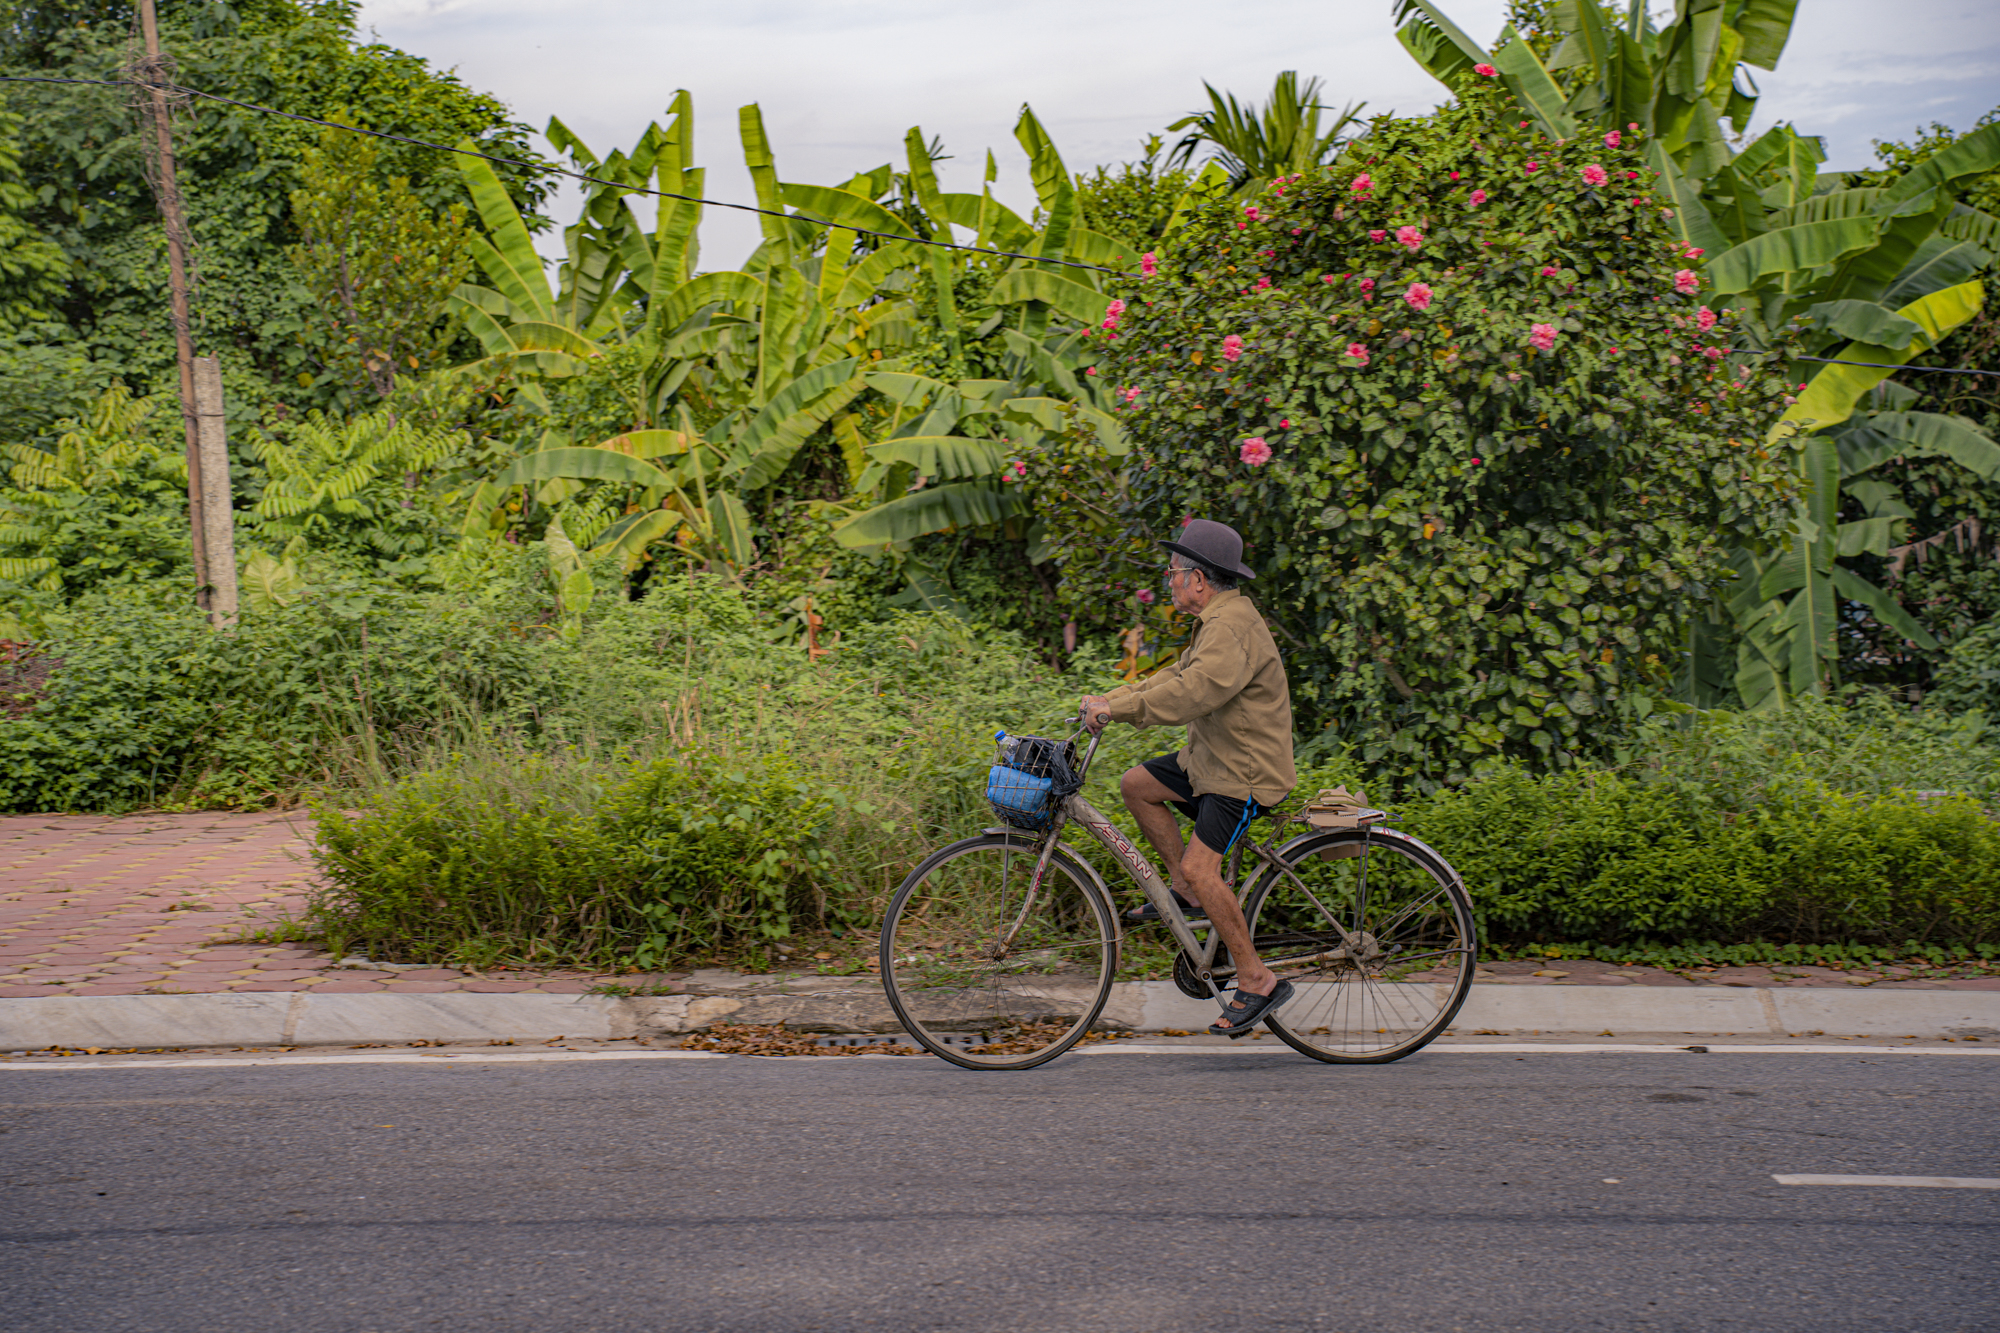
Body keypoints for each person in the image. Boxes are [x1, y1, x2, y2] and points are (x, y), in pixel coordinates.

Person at [1078, 519, 1298, 1037]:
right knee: (1137, 785)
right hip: (1212, 759)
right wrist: (1115, 699)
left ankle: (1257, 978)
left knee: (1205, 867)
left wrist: (1121, 709)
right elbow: (1177, 676)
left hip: (1243, 773)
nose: (1168, 580)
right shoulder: (1219, 619)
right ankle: (1188, 890)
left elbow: (1193, 693)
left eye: (1172, 572)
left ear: (1199, 579)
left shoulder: (1231, 627)